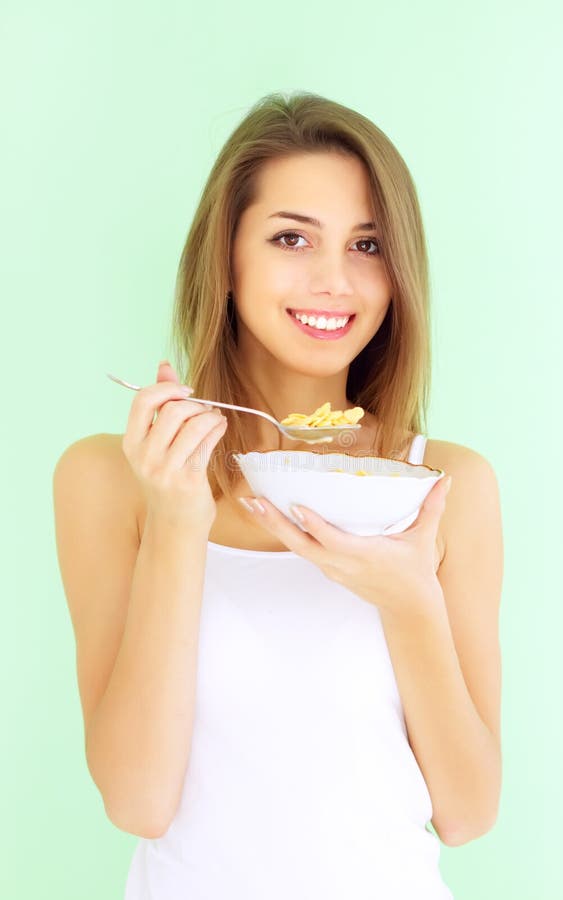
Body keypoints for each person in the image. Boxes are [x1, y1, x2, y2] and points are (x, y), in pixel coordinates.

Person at [53, 91, 503, 900]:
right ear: (225, 259)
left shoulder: (446, 486)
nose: (334, 281)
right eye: (292, 238)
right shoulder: (111, 477)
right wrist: (177, 522)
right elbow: (138, 801)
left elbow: (468, 814)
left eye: (367, 244)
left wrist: (408, 602)